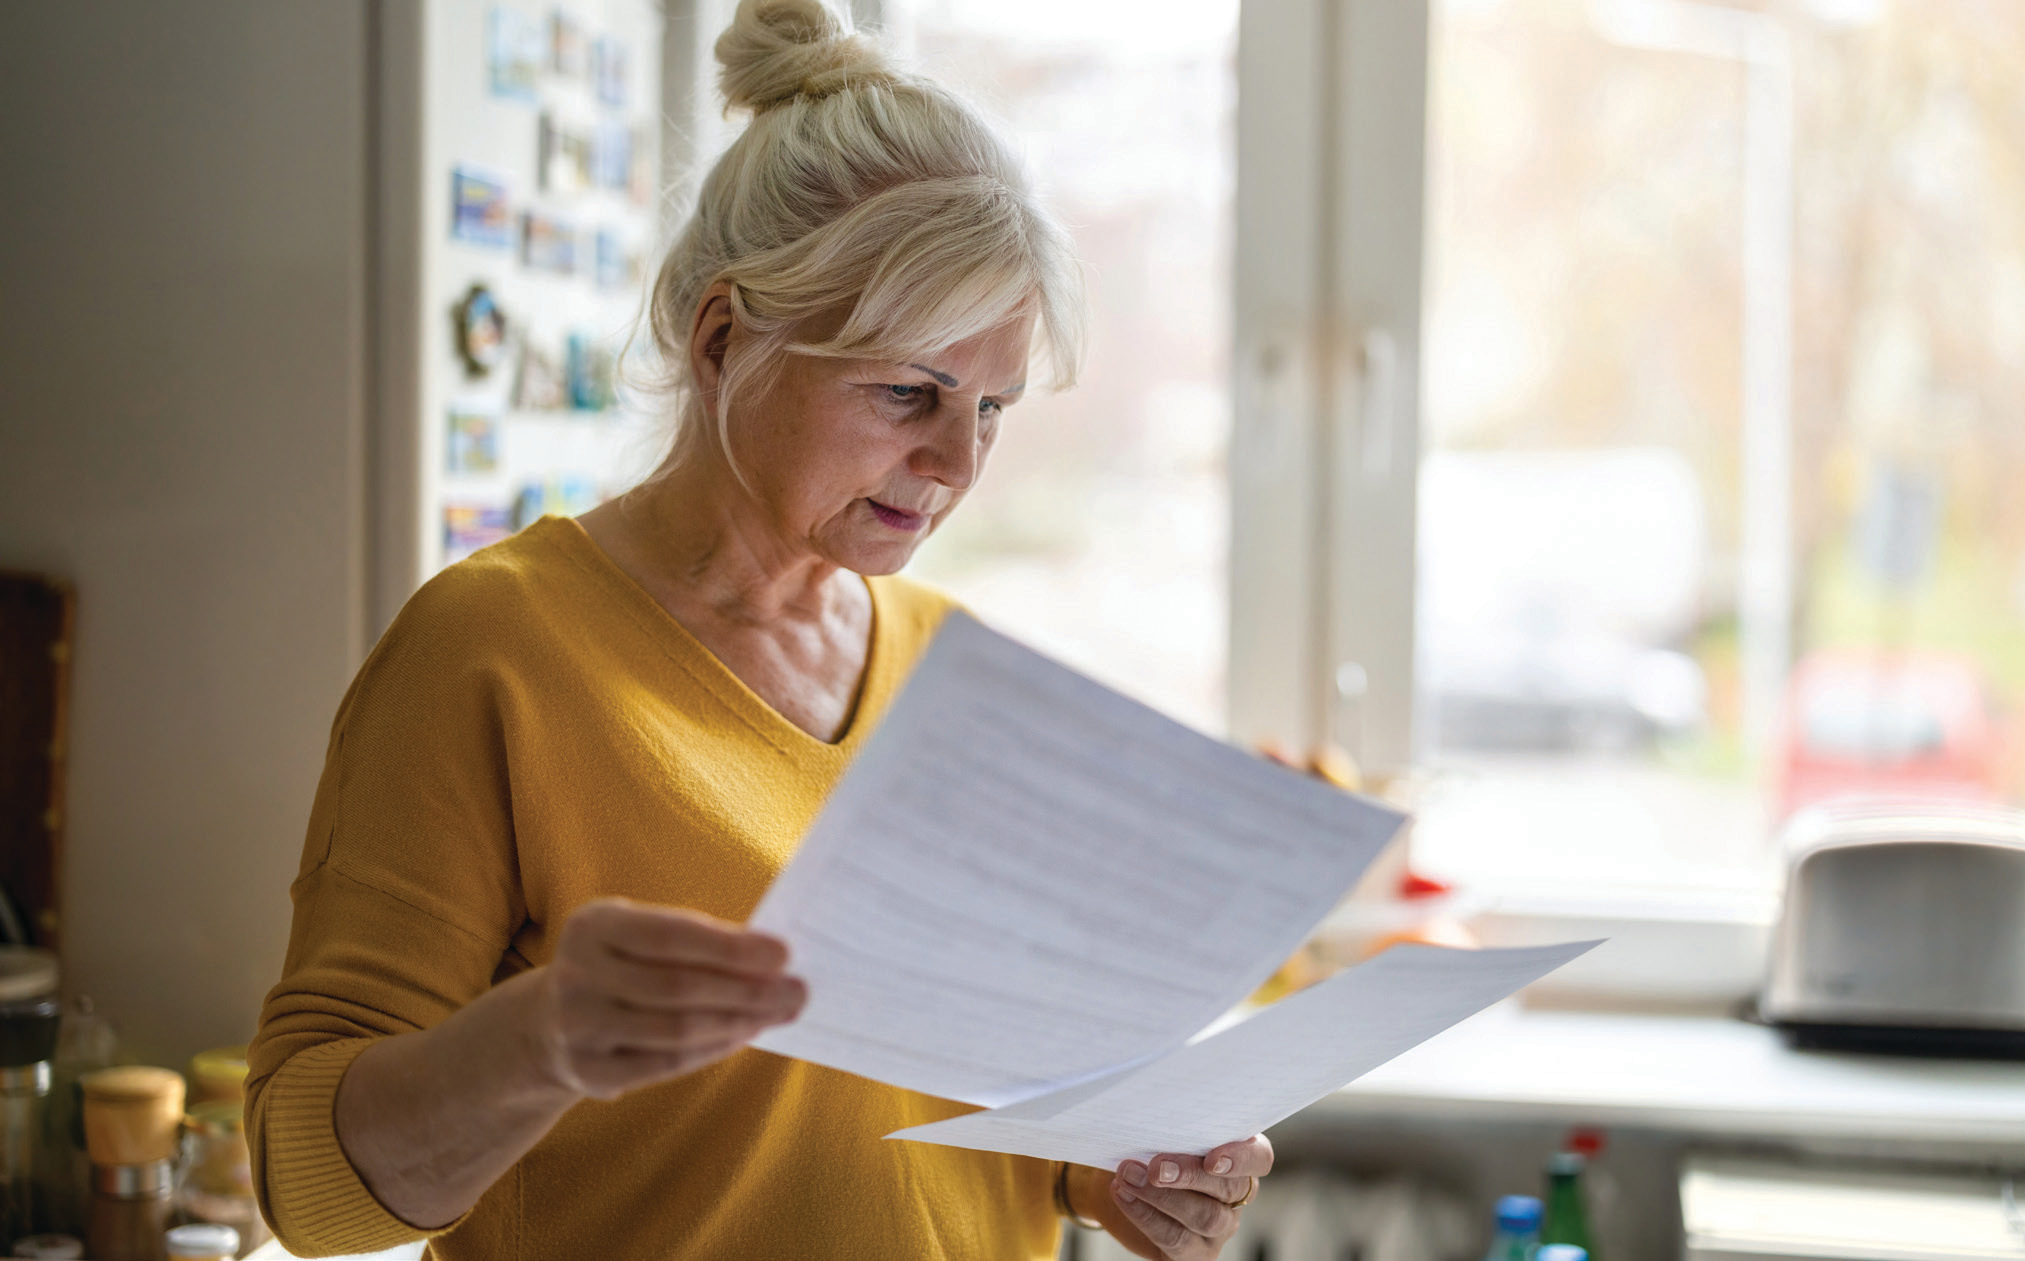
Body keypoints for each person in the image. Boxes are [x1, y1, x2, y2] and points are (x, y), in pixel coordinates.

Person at [245, 1, 1272, 1257]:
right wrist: (544, 1041)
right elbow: (311, 1193)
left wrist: (1116, 1170)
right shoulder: (494, 649)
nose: (956, 461)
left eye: (993, 406)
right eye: (909, 391)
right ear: (724, 338)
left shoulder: (955, 665)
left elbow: (970, 1103)